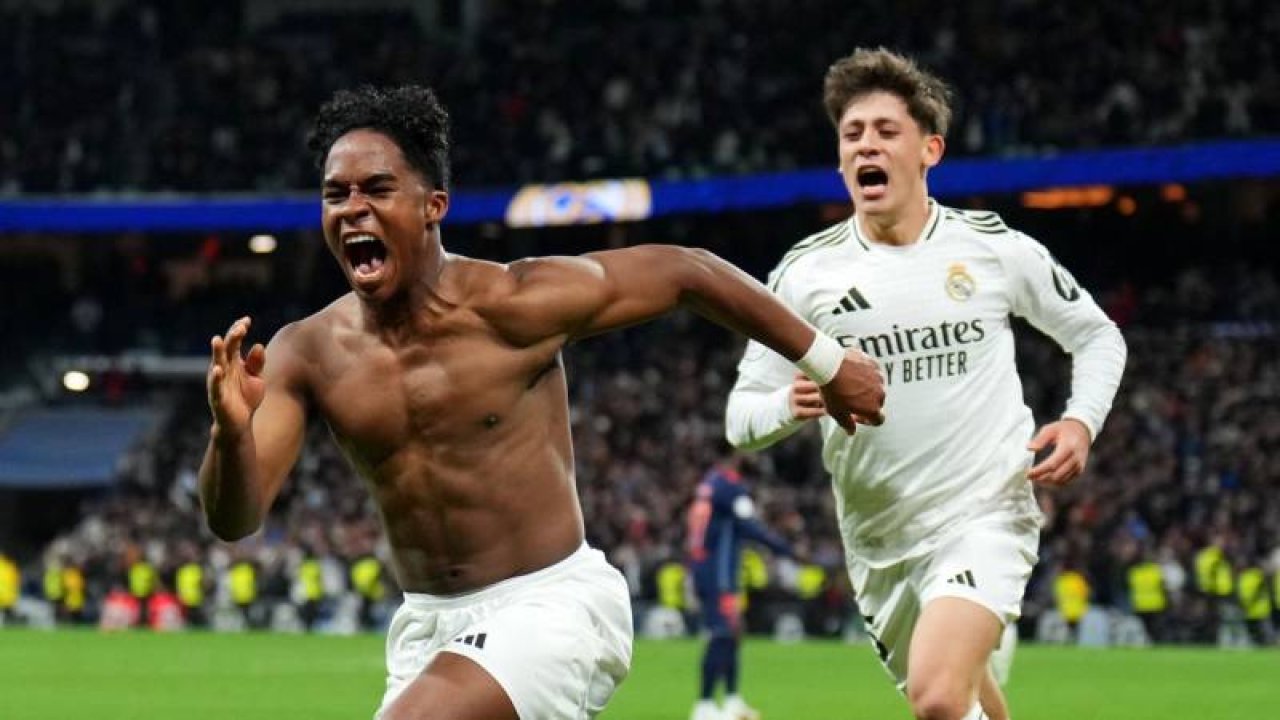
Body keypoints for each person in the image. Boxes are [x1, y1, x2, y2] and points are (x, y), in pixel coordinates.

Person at [199, 85, 885, 720]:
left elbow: (685, 271)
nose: (353, 208)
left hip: (551, 605)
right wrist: (229, 436)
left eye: (378, 189)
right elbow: (235, 519)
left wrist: (826, 363)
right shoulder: (307, 352)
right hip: (427, 629)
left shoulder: (513, 304)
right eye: (336, 194)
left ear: (434, 206)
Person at [725, 48, 1127, 720]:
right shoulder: (803, 276)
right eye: (852, 135)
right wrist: (789, 405)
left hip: (984, 511)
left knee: (938, 698)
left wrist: (1081, 420)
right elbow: (740, 418)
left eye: (886, 131)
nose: (866, 146)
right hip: (878, 541)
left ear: (929, 150)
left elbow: (1097, 336)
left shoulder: (990, 248)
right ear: (840, 161)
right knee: (964, 704)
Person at [686, 451, 793, 720]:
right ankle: (704, 706)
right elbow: (750, 526)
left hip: (708, 566)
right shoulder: (730, 487)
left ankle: (732, 701)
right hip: (718, 572)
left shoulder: (710, 483)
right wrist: (785, 549)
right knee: (722, 633)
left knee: (732, 633)